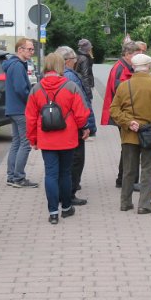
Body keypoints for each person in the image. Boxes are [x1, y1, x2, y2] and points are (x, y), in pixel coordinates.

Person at [25, 52, 90, 225]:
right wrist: (84, 127)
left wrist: (33, 139)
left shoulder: (36, 89)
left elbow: (30, 117)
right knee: (66, 173)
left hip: (46, 139)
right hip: (67, 138)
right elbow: (81, 113)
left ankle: (53, 212)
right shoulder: (70, 86)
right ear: (61, 65)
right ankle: (67, 207)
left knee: (51, 174)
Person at [110, 53, 151, 214]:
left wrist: (127, 121)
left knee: (129, 170)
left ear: (133, 67)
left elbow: (113, 110)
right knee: (148, 169)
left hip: (129, 134)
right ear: (149, 67)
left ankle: (125, 202)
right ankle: (144, 204)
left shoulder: (124, 86)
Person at [56, 45, 96, 206]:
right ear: (67, 61)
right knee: (76, 159)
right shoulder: (70, 77)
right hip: (73, 125)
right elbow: (81, 103)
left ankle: (65, 190)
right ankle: (70, 193)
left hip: (62, 125)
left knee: (66, 161)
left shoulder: (57, 75)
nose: (75, 62)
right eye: (73, 59)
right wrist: (87, 125)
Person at [102, 40, 139, 187]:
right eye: (137, 54)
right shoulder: (120, 69)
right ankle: (126, 180)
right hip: (123, 115)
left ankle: (123, 179)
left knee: (128, 147)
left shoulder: (123, 66)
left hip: (123, 114)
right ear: (128, 55)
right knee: (129, 147)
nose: (138, 57)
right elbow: (121, 93)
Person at [3, 37, 38, 188]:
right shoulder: (17, 66)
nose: (32, 52)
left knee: (16, 143)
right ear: (20, 50)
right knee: (25, 143)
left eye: (32, 49)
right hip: (20, 110)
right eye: (29, 49)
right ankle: (18, 178)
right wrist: (32, 101)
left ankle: (11, 176)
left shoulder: (13, 64)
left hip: (12, 109)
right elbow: (20, 89)